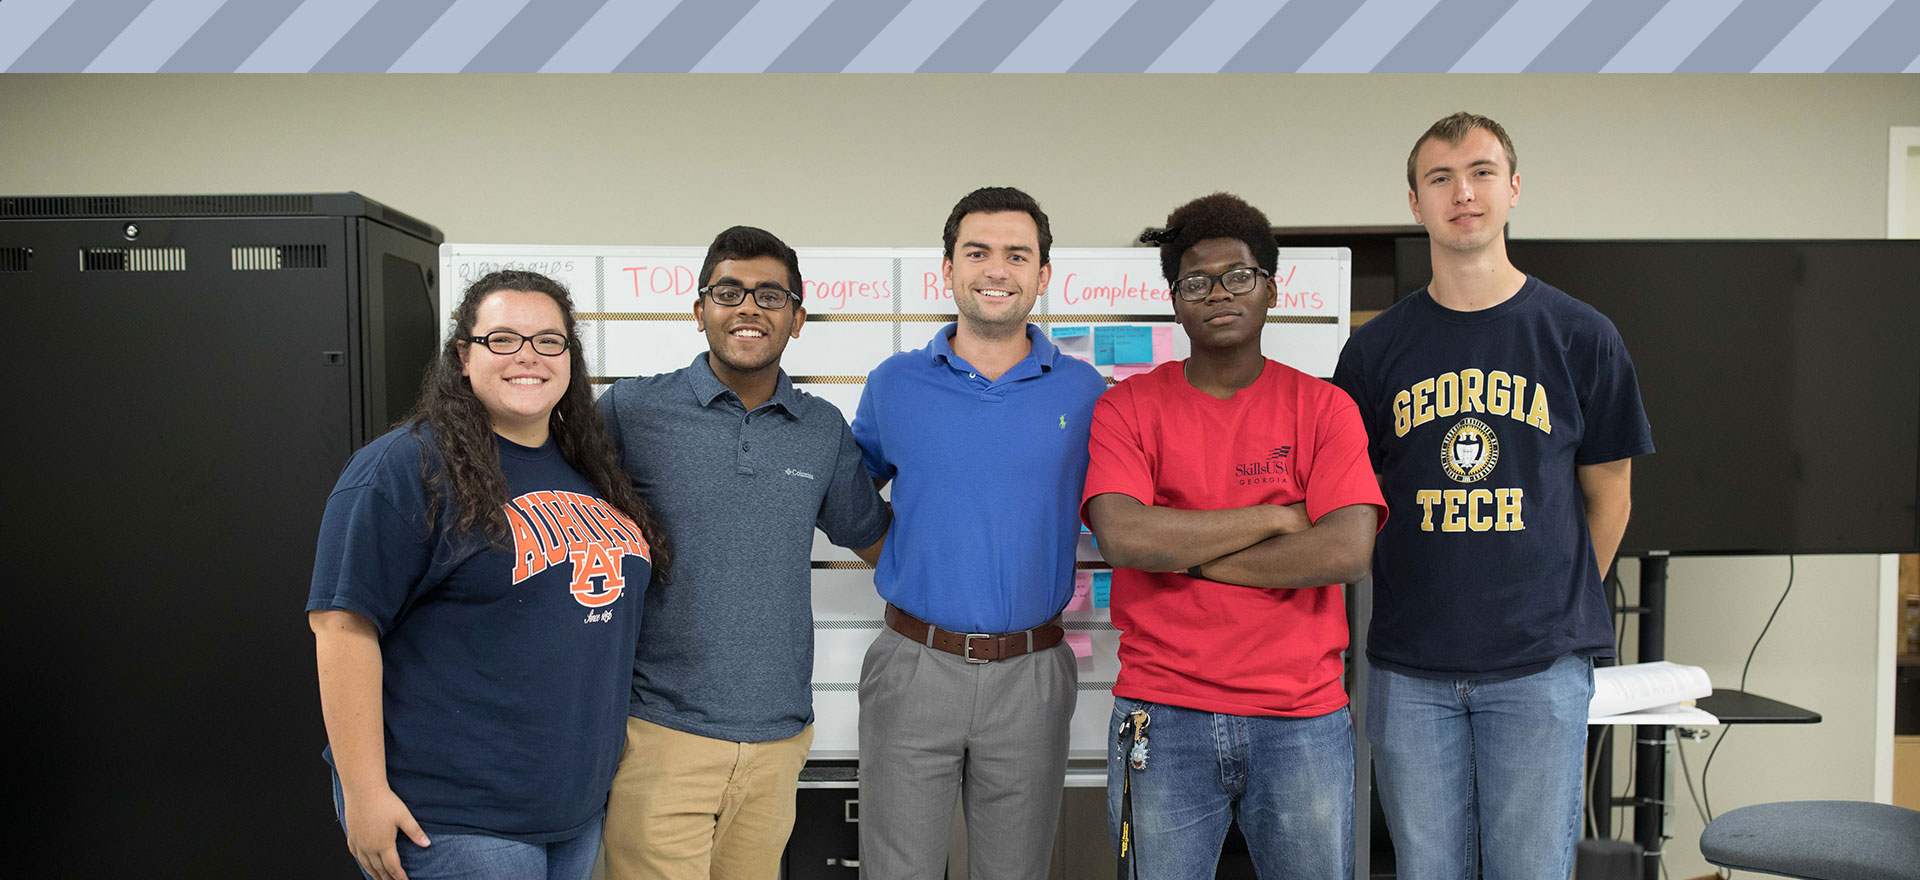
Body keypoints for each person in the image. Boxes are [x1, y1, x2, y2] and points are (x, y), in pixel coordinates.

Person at [1330, 112, 1653, 880]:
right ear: (1415, 202)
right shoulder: (1374, 351)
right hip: (1410, 668)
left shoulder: (1581, 335)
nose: (1462, 193)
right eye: (1440, 178)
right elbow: (1351, 499)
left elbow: (1611, 496)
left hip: (1539, 667)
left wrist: (1550, 594)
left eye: (1480, 173)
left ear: (1513, 189)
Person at [308, 270, 672, 880]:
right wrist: (365, 793)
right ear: (463, 356)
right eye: (502, 339)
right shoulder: (406, 467)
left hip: (571, 815)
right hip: (451, 816)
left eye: (548, 341)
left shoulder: (590, 468)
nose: (527, 356)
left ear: (570, 359)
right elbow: (342, 630)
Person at [1082, 193, 1384, 879]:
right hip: (1162, 716)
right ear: (1176, 300)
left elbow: (1345, 549)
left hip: (1302, 719)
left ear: (1271, 289)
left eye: (1238, 276)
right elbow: (1127, 537)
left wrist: (1186, 556)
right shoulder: (1126, 407)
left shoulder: (1324, 408)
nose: (1218, 292)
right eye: (1197, 281)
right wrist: (1277, 517)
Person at [597, 226, 890, 880]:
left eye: (770, 294)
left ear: (798, 318)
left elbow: (882, 544)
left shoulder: (821, 430)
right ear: (700, 310)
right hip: (659, 735)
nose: (749, 307)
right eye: (729, 292)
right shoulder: (631, 410)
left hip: (778, 742)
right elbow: (553, 513)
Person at [850, 186, 1106, 879]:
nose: (998, 269)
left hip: (1032, 672)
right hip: (914, 666)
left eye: (1017, 255)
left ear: (1044, 276)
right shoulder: (895, 383)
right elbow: (848, 495)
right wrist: (898, 555)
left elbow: (1119, 516)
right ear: (948, 268)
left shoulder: (1086, 393)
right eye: (978, 252)